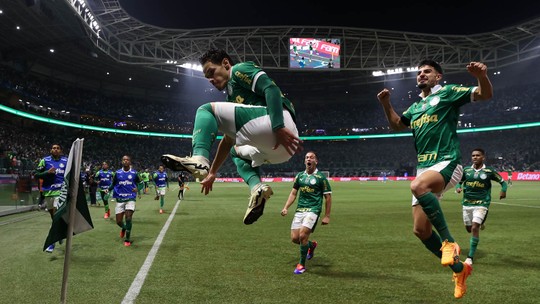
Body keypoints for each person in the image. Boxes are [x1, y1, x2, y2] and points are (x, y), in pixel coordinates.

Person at [377, 59, 493, 299]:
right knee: (420, 231)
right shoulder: (416, 107)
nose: (421, 75)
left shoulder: (448, 93)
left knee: (418, 185)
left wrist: (481, 76)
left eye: (427, 71)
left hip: (447, 162)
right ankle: (460, 270)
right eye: (419, 72)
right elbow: (397, 125)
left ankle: (449, 242)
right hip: (425, 168)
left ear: (438, 77)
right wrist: (386, 104)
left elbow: (484, 94)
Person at [161, 48, 303, 225]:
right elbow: (228, 141)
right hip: (281, 151)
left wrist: (278, 127)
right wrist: (212, 173)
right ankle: (258, 189)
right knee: (236, 151)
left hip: (278, 123)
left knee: (205, 110)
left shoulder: (238, 70)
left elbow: (271, 89)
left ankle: (199, 157)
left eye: (212, 72)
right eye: (207, 78)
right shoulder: (233, 97)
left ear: (226, 64)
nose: (211, 80)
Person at [280, 151, 332, 275]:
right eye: (307, 157)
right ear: (305, 161)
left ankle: (301, 265)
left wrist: (327, 216)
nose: (309, 159)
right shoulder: (299, 176)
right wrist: (286, 207)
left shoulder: (321, 178)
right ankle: (311, 245)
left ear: (316, 161)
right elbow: (293, 193)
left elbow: (328, 197)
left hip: (313, 210)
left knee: (303, 236)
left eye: (311, 157)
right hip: (300, 210)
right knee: (294, 238)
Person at [455, 148, 507, 265]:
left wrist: (503, 190)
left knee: (474, 228)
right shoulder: (467, 170)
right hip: (467, 203)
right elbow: (460, 181)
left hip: (482, 203)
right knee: (468, 229)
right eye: (473, 155)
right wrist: (458, 187)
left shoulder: (489, 171)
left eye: (478, 155)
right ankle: (481, 222)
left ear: (483, 157)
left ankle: (470, 257)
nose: (475, 157)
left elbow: (503, 182)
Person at [34, 143, 68, 253]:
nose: (56, 150)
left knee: (57, 216)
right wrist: (47, 173)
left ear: (61, 150)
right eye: (54, 148)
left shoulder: (66, 161)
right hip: (48, 192)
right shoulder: (45, 161)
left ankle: (51, 243)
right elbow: (36, 174)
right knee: (54, 218)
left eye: (58, 148)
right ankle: (60, 233)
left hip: (60, 192)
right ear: (51, 150)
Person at [109, 155, 140, 247]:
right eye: (124, 160)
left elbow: (141, 183)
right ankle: (124, 228)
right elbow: (113, 184)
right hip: (120, 199)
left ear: (130, 162)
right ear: (122, 161)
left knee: (128, 217)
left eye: (127, 160)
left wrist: (137, 188)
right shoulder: (117, 173)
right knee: (118, 221)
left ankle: (127, 239)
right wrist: (108, 189)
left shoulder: (134, 173)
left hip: (131, 198)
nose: (125, 161)